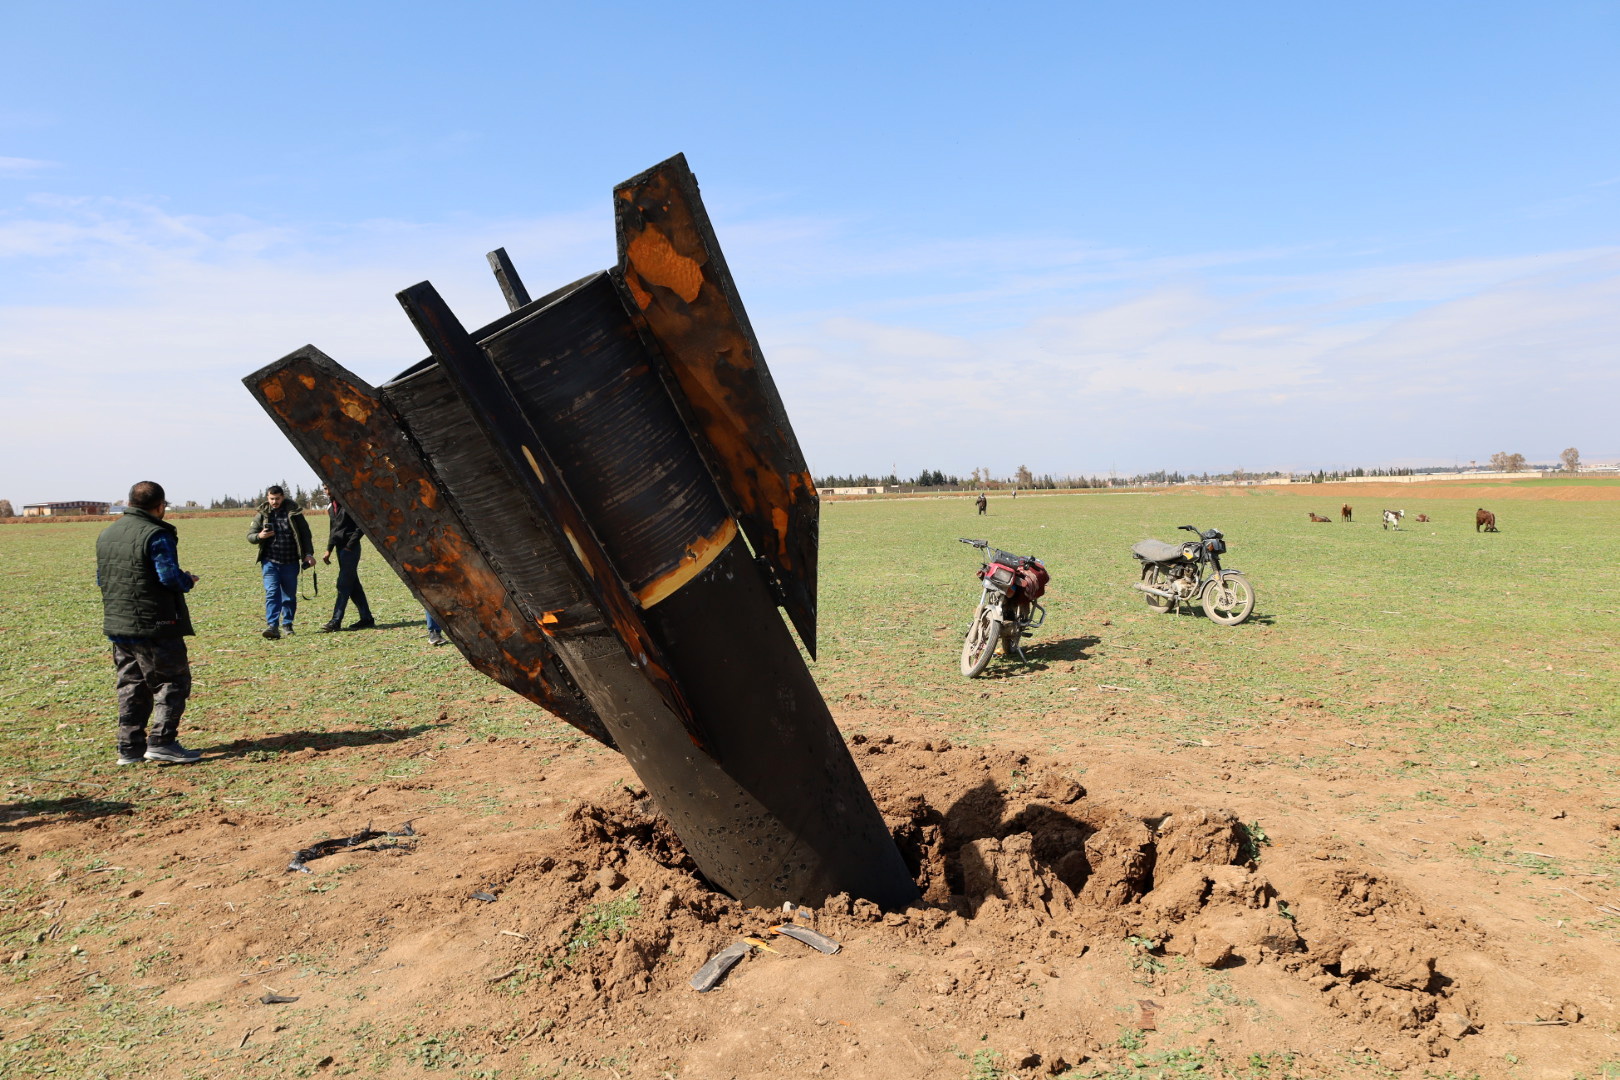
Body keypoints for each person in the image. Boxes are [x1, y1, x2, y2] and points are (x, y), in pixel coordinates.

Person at [96, 481, 202, 765]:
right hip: (155, 624)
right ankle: (162, 742)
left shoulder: (108, 534)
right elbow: (167, 576)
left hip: (119, 624)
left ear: (130, 503)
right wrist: (187, 581)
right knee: (172, 681)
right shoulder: (156, 534)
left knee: (131, 685)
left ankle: (129, 749)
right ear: (159, 506)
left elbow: (102, 578)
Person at [248, 485, 314, 639]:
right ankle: (272, 626)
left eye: (277, 498)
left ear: (283, 497)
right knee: (272, 593)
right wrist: (260, 536)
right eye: (271, 499)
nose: (274, 502)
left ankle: (288, 624)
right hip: (270, 561)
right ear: (267, 498)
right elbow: (250, 535)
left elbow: (305, 535)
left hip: (290, 561)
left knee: (289, 595)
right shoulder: (262, 514)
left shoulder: (294, 513)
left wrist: (308, 554)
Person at [319, 485, 374, 632]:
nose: (328, 490)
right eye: (325, 488)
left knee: (343, 584)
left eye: (329, 487)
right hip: (339, 548)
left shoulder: (350, 503)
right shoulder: (331, 506)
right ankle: (367, 618)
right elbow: (333, 529)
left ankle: (335, 621)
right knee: (353, 584)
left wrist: (350, 545)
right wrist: (328, 549)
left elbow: (360, 526)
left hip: (350, 549)